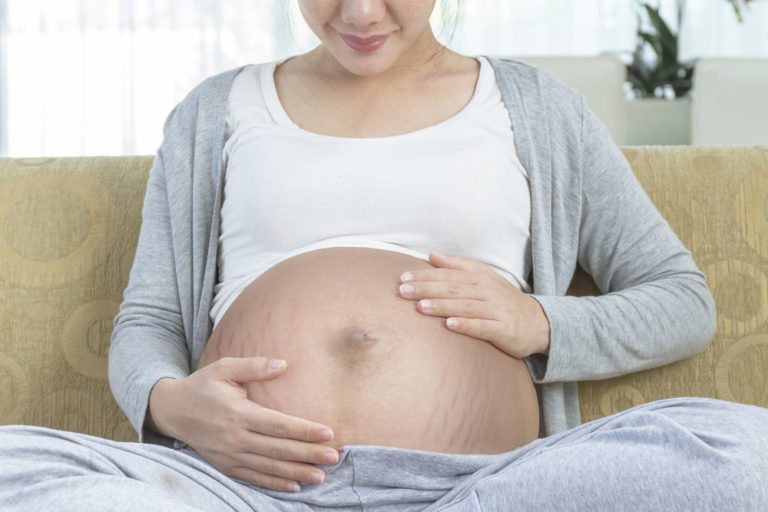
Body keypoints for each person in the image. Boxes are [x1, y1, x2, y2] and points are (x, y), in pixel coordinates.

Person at [1, 1, 767, 510]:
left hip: (483, 487)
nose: (361, 12)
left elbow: (682, 299)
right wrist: (170, 404)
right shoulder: (215, 112)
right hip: (240, 492)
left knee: (747, 456)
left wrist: (540, 322)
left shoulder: (535, 107)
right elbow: (150, 318)